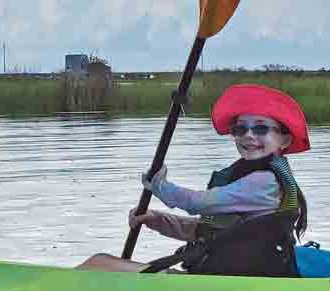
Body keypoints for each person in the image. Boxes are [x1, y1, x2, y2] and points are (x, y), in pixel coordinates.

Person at [77, 83, 310, 277]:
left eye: (261, 129)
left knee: (99, 264)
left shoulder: (263, 183)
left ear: (285, 141)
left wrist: (158, 185)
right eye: (240, 129)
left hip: (229, 287)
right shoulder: (256, 179)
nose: (249, 135)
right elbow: (208, 232)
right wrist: (156, 220)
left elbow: (198, 203)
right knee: (101, 263)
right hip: (224, 281)